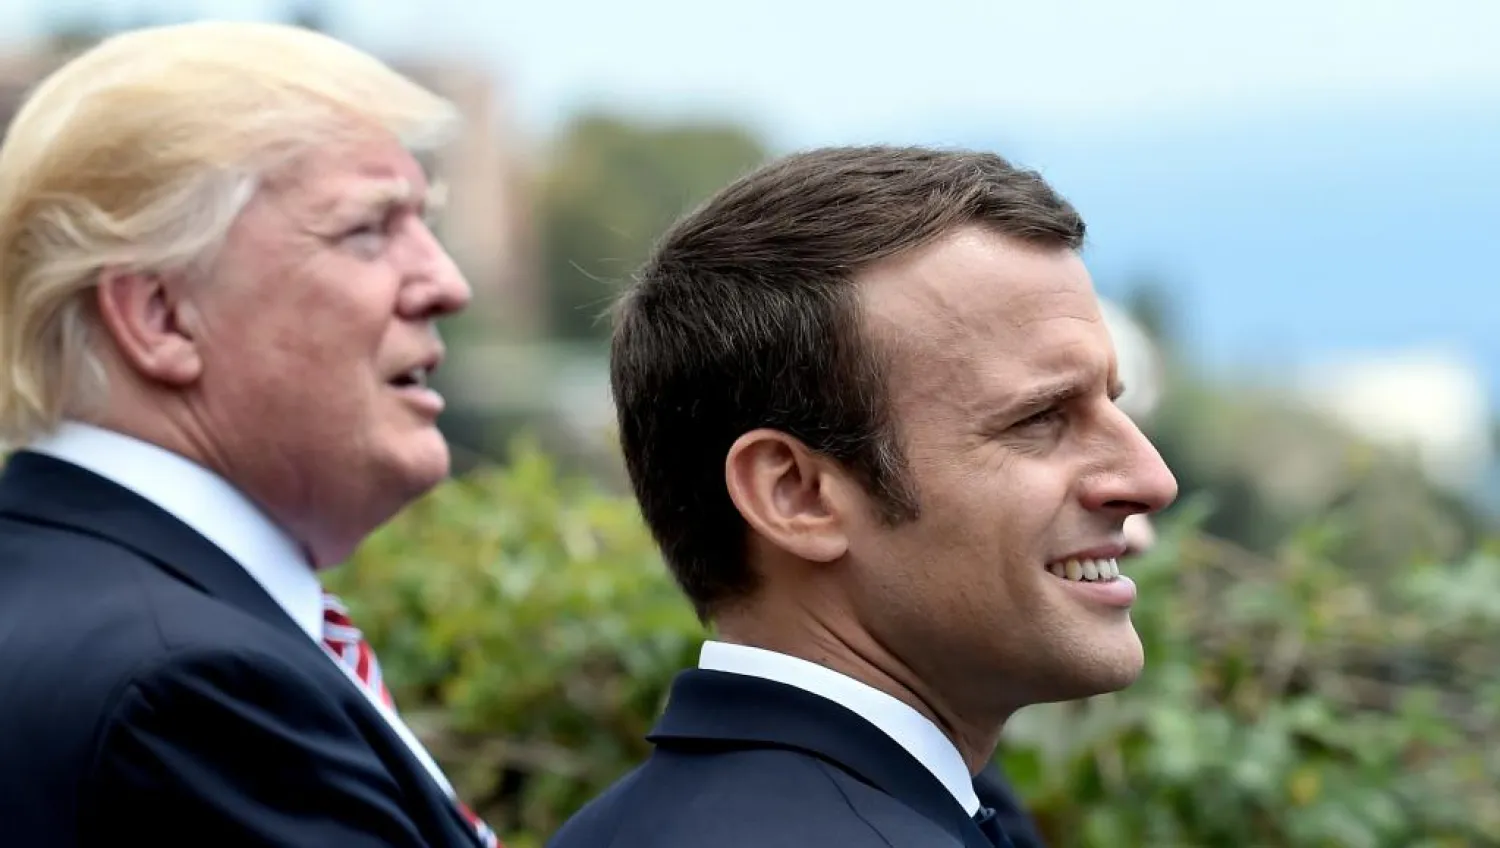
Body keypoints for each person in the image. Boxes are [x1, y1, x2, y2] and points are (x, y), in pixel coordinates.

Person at [548, 145, 1178, 848]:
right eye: (1039, 419)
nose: (1151, 480)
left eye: (1112, 405)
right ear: (795, 494)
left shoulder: (614, 829)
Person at [0, 21, 500, 847]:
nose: (446, 283)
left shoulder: (77, 603)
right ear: (159, 315)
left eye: (426, 222)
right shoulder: (190, 690)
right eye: (367, 229)